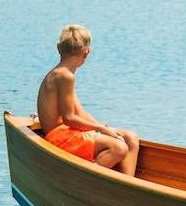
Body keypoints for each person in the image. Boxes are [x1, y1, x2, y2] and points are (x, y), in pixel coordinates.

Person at [35, 23, 139, 175]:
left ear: (59, 48)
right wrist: (101, 129)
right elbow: (69, 118)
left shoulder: (63, 73)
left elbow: (79, 113)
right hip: (60, 137)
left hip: (68, 133)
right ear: (86, 52)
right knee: (119, 148)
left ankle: (129, 188)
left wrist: (103, 127)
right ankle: (83, 182)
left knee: (131, 138)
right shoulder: (65, 76)